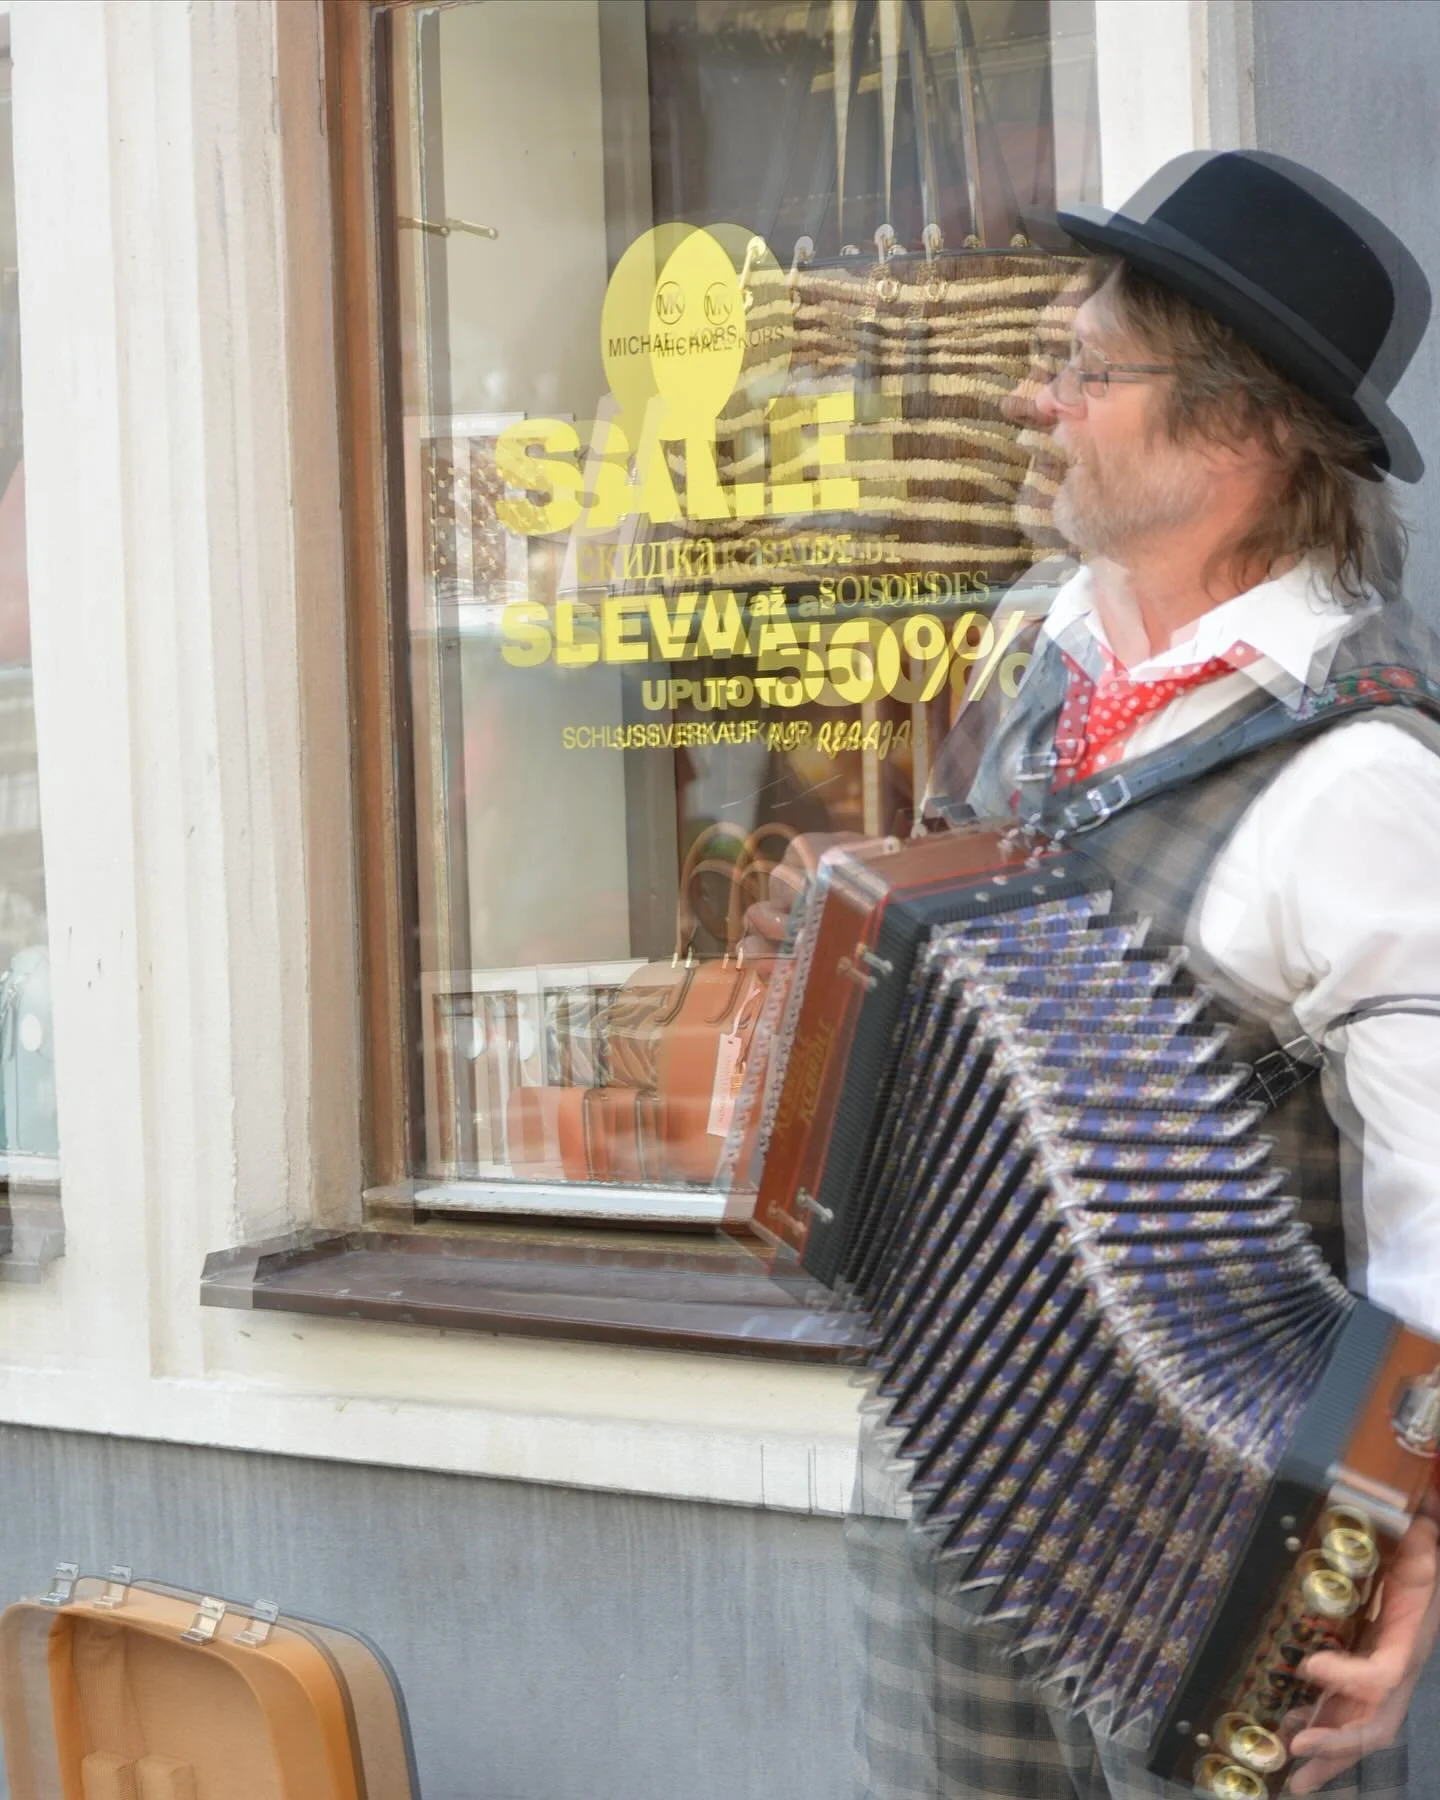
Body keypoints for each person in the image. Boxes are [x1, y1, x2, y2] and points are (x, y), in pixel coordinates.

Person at [847, 149, 1440, 1800]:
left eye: (1088, 370)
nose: (1043, 403)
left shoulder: (1364, 779)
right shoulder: (1041, 653)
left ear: (1244, 428)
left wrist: (1417, 1553)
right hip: (956, 1493)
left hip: (1215, 1570)